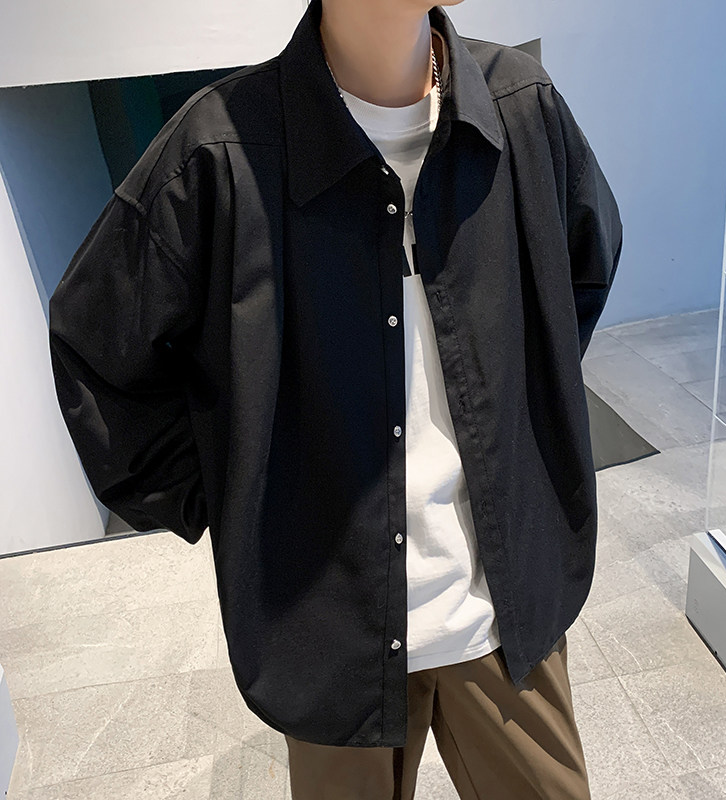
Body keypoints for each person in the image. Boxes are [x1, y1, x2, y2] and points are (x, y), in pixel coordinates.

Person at [48, 0, 622, 797]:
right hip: (327, 632)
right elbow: (97, 346)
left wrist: (526, 422)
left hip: (508, 611)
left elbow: (580, 272)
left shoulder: (521, 105)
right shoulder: (221, 150)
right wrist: (229, 498)